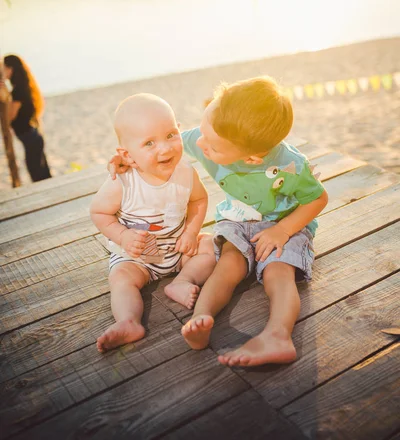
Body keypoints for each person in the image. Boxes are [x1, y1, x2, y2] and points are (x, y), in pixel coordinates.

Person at [108, 77, 328, 367]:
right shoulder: (209, 136)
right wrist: (129, 161)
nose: (199, 144)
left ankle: (278, 335)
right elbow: (163, 147)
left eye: (210, 145)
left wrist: (283, 230)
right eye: (202, 131)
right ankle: (202, 317)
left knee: (278, 273)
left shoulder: (291, 166)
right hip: (238, 222)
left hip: (285, 227)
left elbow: (318, 199)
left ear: (249, 158)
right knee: (227, 266)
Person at [90, 93, 215, 353]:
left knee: (212, 245)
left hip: (178, 249)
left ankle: (182, 280)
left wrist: (192, 232)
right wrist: (123, 236)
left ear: (179, 129)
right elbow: (100, 213)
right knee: (121, 278)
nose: (165, 148)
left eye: (170, 135)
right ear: (127, 154)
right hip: (137, 258)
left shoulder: (185, 172)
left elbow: (199, 200)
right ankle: (129, 321)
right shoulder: (124, 181)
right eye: (149, 143)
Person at [2, 54, 51, 182]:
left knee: (38, 175)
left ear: (10, 69)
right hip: (32, 137)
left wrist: (4, 93)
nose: (2, 72)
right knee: (42, 174)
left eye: (3, 68)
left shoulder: (18, 91)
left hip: (31, 138)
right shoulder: (21, 88)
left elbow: (9, 117)